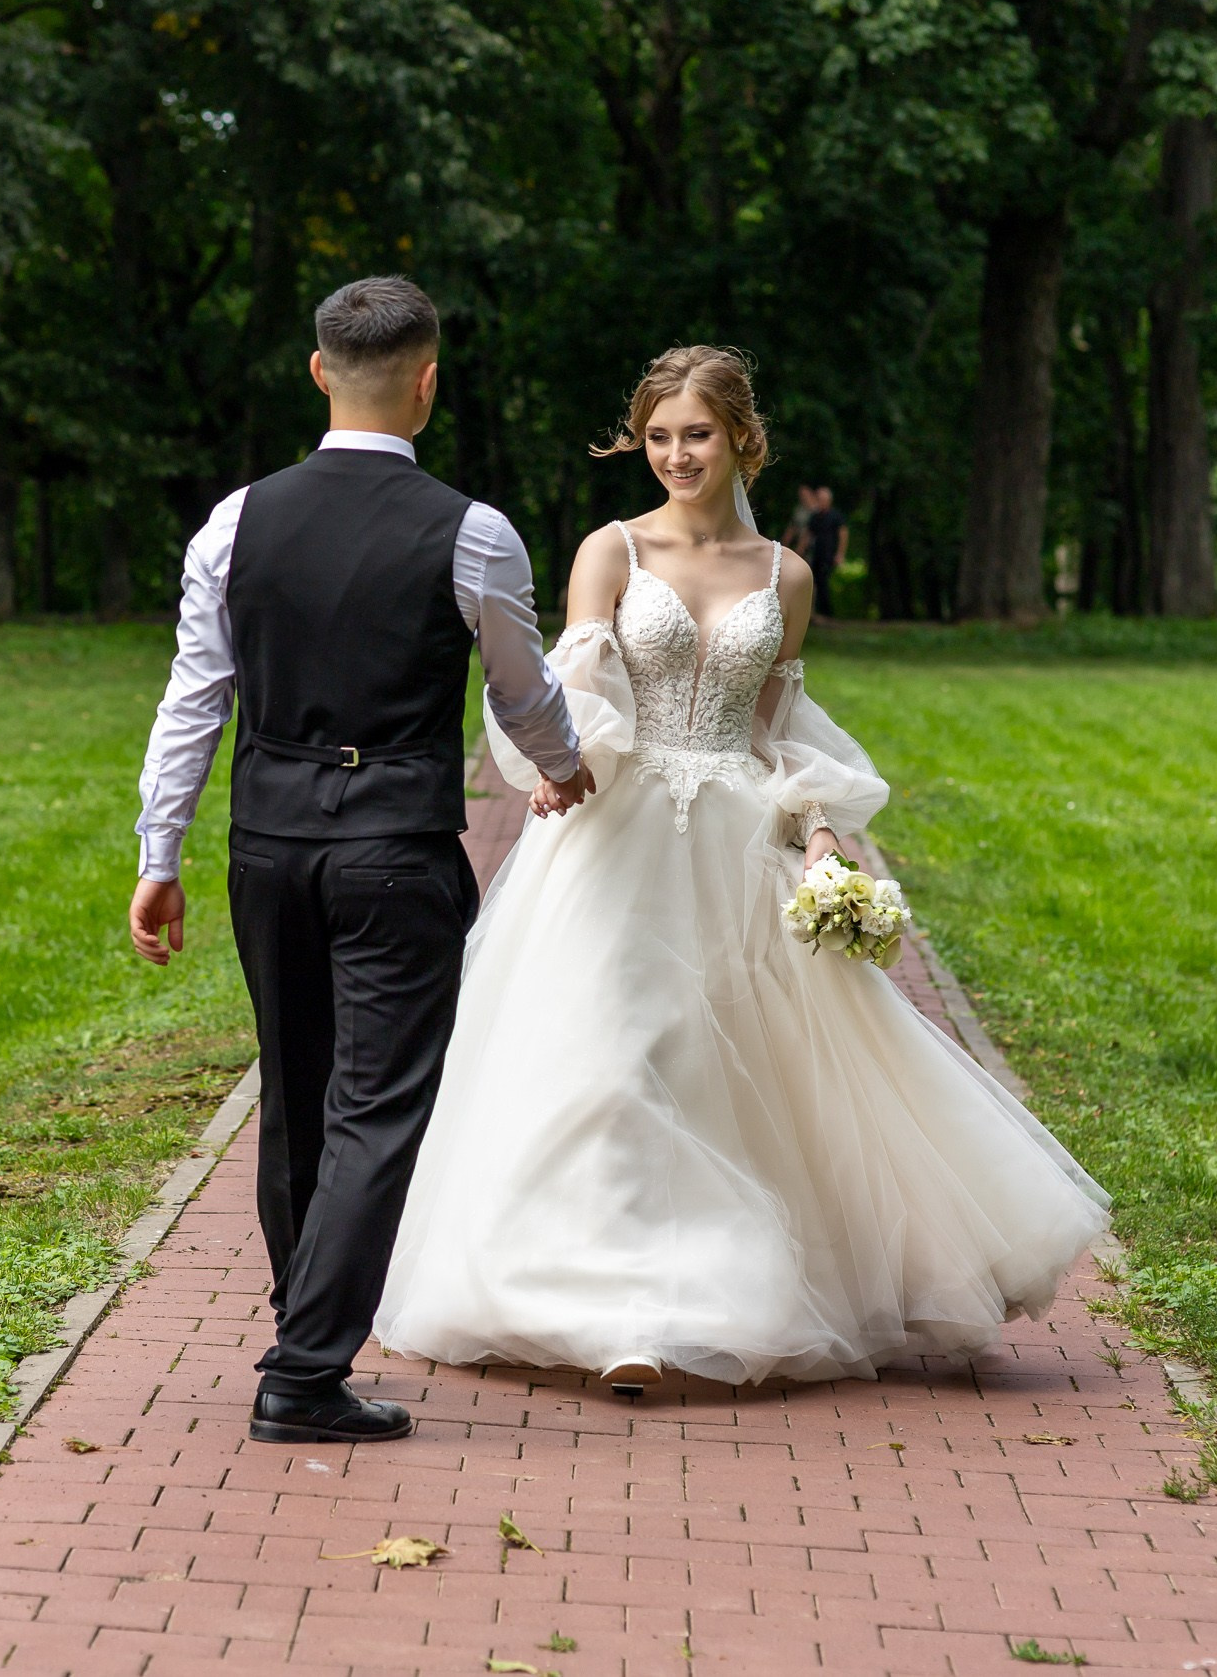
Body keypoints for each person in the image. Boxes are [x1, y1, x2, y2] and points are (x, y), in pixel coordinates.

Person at [373, 346, 1108, 1392]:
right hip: (613, 833)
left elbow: (776, 728)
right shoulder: (611, 552)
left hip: (732, 836)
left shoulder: (785, 576)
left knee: (725, 1078)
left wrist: (816, 835)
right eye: (660, 435)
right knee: (613, 1057)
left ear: (741, 439)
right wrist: (561, 763)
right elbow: (572, 688)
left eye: (696, 434)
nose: (675, 454)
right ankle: (612, 1309)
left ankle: (713, 1292)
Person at [127, 275, 592, 1444]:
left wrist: (157, 851)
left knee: (295, 1093)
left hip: (268, 843)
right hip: (393, 844)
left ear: (318, 369)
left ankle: (305, 1324)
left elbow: (195, 700)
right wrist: (567, 765)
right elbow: (523, 692)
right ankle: (304, 1371)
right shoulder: (473, 533)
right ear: (429, 382)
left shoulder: (235, 521)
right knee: (375, 1106)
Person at [801, 484, 847, 618]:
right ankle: (816, 613)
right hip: (817, 554)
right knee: (814, 582)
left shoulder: (836, 516)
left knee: (822, 581)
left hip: (829, 554)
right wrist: (799, 551)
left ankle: (826, 612)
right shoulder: (815, 517)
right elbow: (808, 535)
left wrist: (840, 554)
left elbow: (843, 534)